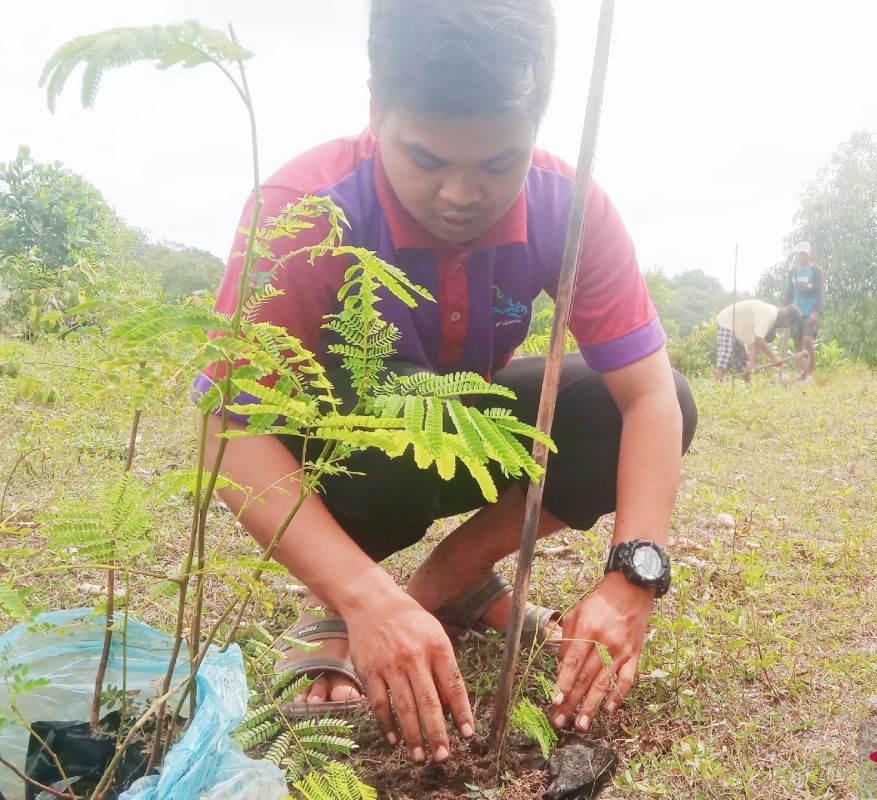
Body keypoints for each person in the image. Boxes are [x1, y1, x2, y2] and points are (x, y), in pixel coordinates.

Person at [194, 0, 697, 766]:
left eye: (499, 163)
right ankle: (338, 601)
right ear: (376, 110)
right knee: (397, 417)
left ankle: (454, 577)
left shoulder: (570, 204)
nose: (461, 194)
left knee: (641, 406)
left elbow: (649, 397)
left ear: (535, 126)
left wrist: (636, 573)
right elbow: (230, 432)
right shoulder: (304, 213)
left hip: (464, 420)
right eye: (427, 160)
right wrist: (366, 601)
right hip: (345, 444)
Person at [712, 299, 802, 381]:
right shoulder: (769, 315)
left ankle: (750, 393)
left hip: (737, 330)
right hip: (727, 321)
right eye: (789, 324)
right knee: (726, 353)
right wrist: (773, 357)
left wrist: (750, 364)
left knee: (744, 365)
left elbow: (756, 342)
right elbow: (759, 339)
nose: (786, 326)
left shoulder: (771, 319)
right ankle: (717, 385)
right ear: (787, 320)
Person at [788, 241, 825, 381]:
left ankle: (809, 373)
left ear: (809, 255)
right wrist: (786, 310)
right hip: (795, 312)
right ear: (797, 256)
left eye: (805, 254)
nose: (802, 256)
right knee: (797, 343)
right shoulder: (793, 272)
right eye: (800, 254)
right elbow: (789, 292)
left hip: (809, 313)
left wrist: (816, 312)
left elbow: (820, 292)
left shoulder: (816, 271)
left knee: (808, 341)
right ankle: (799, 373)